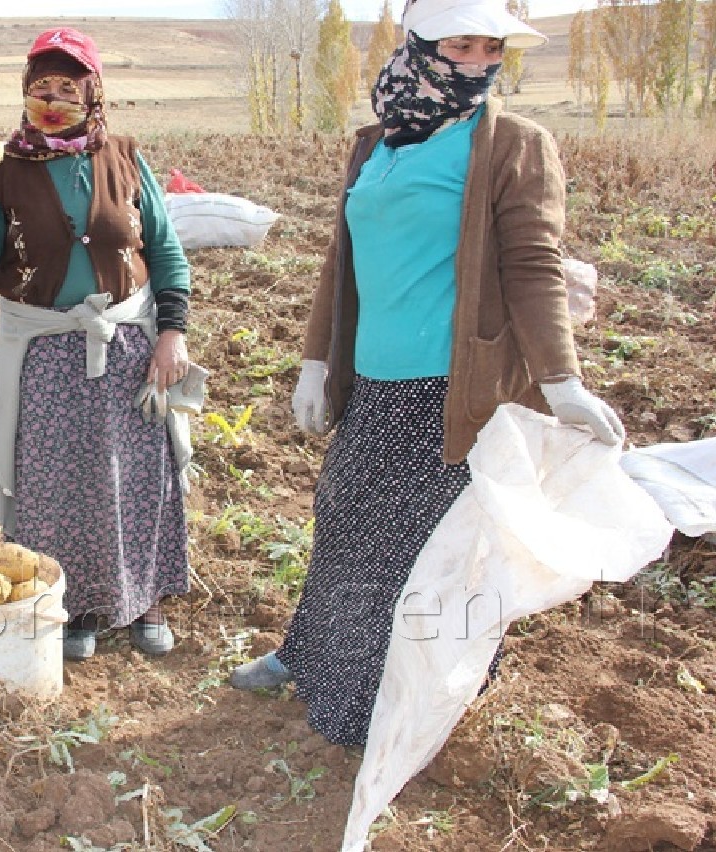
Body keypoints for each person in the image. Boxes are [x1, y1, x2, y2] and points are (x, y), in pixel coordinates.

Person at [228, 0, 625, 746]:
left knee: (428, 550)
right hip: (374, 382)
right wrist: (316, 361)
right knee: (345, 519)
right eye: (461, 44)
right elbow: (341, 261)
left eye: (490, 47)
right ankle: (311, 655)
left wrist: (563, 381)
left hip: (451, 390)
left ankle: (409, 697)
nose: (476, 60)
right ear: (419, 47)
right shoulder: (376, 143)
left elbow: (534, 265)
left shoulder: (510, 144)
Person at [0, 27, 195, 660]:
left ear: (93, 92)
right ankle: (73, 606)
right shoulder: (6, 173)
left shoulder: (125, 159)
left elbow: (163, 251)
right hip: (47, 357)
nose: (52, 101)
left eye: (67, 88)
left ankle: (145, 601)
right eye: (40, 89)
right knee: (55, 485)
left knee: (136, 477)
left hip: (129, 348)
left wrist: (172, 332)